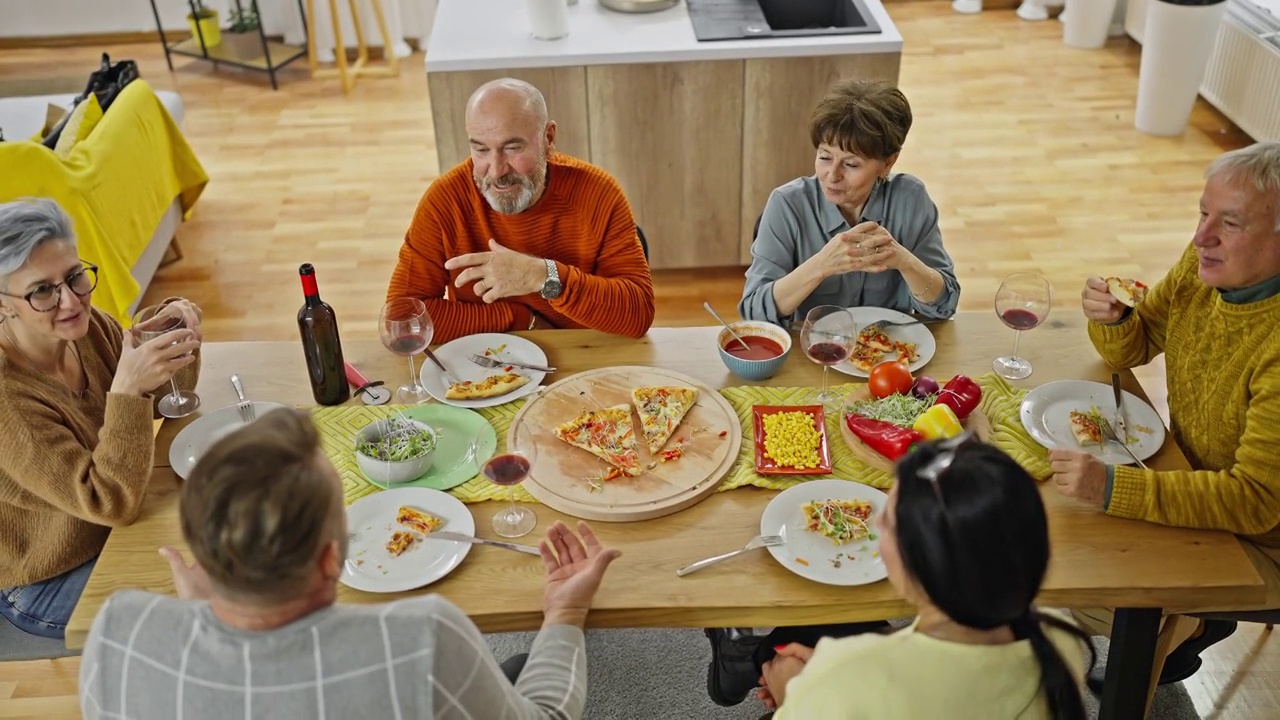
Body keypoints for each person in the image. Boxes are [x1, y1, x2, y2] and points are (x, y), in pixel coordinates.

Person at [80, 407, 621, 719]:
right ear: (331, 558)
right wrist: (565, 614)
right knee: (524, 669)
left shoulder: (116, 634)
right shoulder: (422, 641)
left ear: (203, 550)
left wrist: (203, 609)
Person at [1052, 140, 1280, 688]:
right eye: (1203, 213)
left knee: (1084, 587)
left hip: (1262, 534)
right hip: (1189, 474)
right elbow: (1136, 345)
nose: (1202, 237)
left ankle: (1187, 628)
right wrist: (1113, 318)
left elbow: (1255, 504)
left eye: (1229, 223)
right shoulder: (1206, 270)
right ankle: (1180, 630)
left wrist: (1112, 489)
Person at [762, 435, 1092, 719]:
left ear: (921, 560)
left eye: (888, 521)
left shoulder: (847, 677)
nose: (875, 525)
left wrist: (794, 693)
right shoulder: (1063, 640)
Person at [0, 198, 202, 640]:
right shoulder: (7, 401)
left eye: (74, 277)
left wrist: (166, 331)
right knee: (208, 603)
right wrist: (127, 389)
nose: (70, 300)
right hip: (49, 576)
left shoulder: (81, 328)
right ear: (4, 305)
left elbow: (162, 400)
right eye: (41, 290)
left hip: (116, 530)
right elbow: (109, 501)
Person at [386, 78, 655, 344]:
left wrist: (543, 275)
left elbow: (638, 313)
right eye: (480, 149)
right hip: (486, 366)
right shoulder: (445, 201)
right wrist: (519, 319)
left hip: (585, 358)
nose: (496, 169)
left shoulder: (598, 193)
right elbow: (401, 319)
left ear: (548, 139)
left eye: (513, 148)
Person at [739, 78, 959, 327]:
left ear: (888, 163)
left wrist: (904, 261)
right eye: (824, 157)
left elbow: (944, 306)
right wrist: (821, 265)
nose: (832, 175)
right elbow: (754, 312)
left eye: (851, 164)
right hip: (815, 352)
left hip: (888, 354)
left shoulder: (910, 199)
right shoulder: (787, 205)